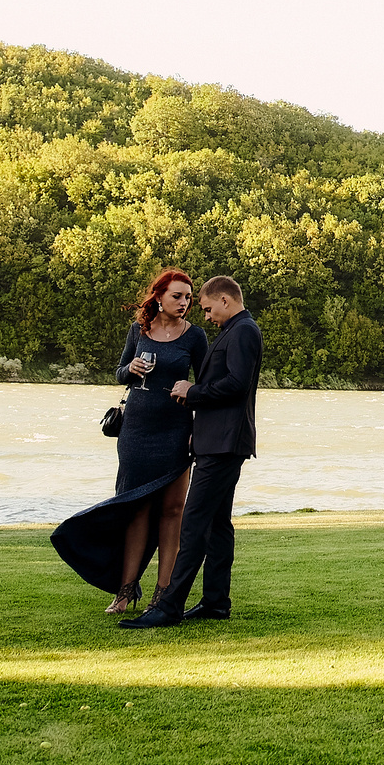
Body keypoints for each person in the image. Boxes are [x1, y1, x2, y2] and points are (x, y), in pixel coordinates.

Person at [49, 268, 207, 612]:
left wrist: (194, 405)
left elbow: (204, 385)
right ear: (160, 296)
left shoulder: (195, 337)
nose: (184, 302)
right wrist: (130, 368)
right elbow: (120, 373)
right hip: (136, 431)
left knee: (172, 511)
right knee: (134, 509)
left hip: (176, 431)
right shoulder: (139, 330)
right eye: (177, 296)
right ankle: (124, 592)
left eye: (188, 297)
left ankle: (163, 594)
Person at [120, 275, 262, 629]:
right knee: (216, 525)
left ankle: (168, 606)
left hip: (224, 442)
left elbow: (236, 384)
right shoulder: (235, 329)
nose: (207, 315)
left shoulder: (243, 330)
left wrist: (192, 391)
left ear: (226, 301)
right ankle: (216, 601)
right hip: (218, 441)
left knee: (193, 523)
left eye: (209, 308)